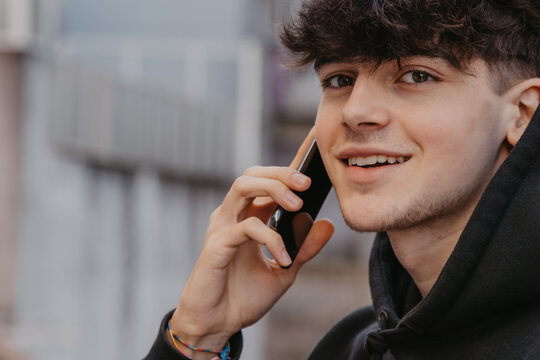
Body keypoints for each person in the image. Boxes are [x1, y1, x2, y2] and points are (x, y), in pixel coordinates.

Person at [145, 0, 540, 359]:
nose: (355, 111)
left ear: (523, 113)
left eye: (417, 76)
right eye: (339, 80)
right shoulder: (348, 347)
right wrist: (198, 339)